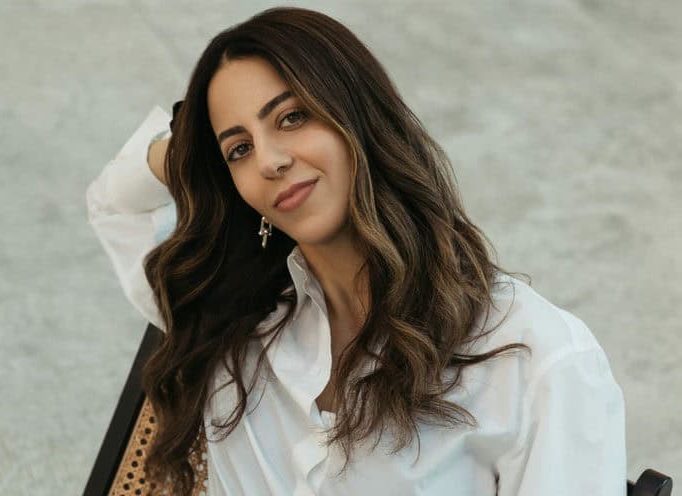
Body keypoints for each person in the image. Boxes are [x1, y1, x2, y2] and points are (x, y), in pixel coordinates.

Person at [86, 6, 626, 495]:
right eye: (239, 149)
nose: (269, 161)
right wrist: (192, 152)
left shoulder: (535, 359)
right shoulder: (229, 316)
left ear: (359, 117)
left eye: (292, 117)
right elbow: (116, 204)